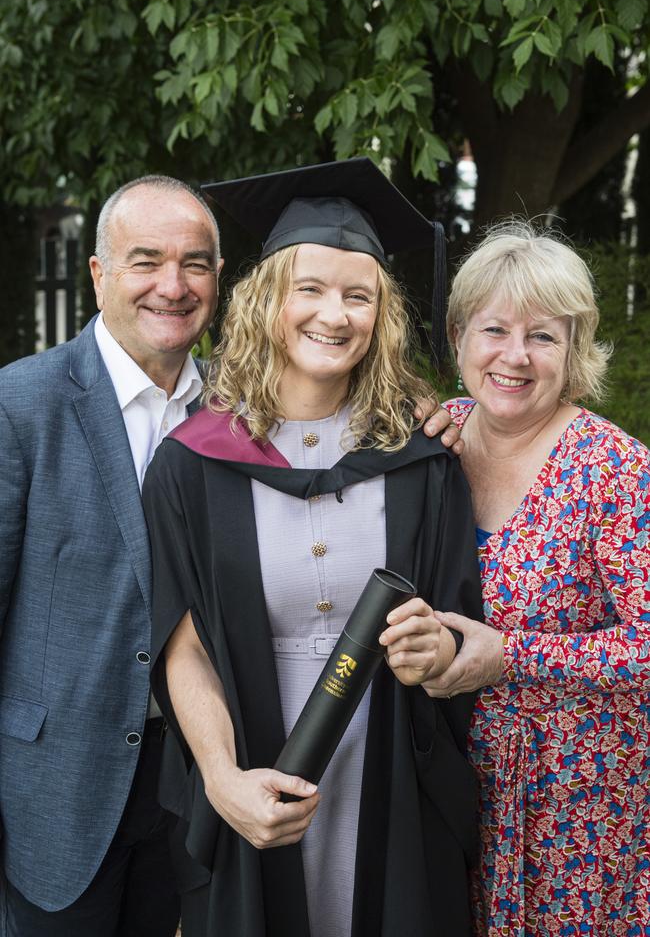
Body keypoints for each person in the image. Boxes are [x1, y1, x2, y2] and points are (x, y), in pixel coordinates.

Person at [142, 157, 484, 937]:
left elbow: (460, 622)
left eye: (358, 295)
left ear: (381, 315)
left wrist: (438, 646)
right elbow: (183, 646)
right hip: (256, 765)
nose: (335, 314)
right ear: (267, 300)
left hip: (395, 775)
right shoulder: (192, 465)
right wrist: (223, 780)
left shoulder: (423, 462)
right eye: (311, 289)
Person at [0, 175, 222, 936]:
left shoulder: (237, 410)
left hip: (190, 781)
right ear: (99, 274)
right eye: (146, 260)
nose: (173, 285)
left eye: (196, 263)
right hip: (53, 792)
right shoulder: (20, 406)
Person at [424, 223, 650, 936]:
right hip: (454, 784)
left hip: (579, 810)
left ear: (574, 348)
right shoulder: (436, 443)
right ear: (460, 335)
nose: (514, 357)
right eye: (495, 329)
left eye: (543, 336)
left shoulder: (614, 471)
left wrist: (513, 655)